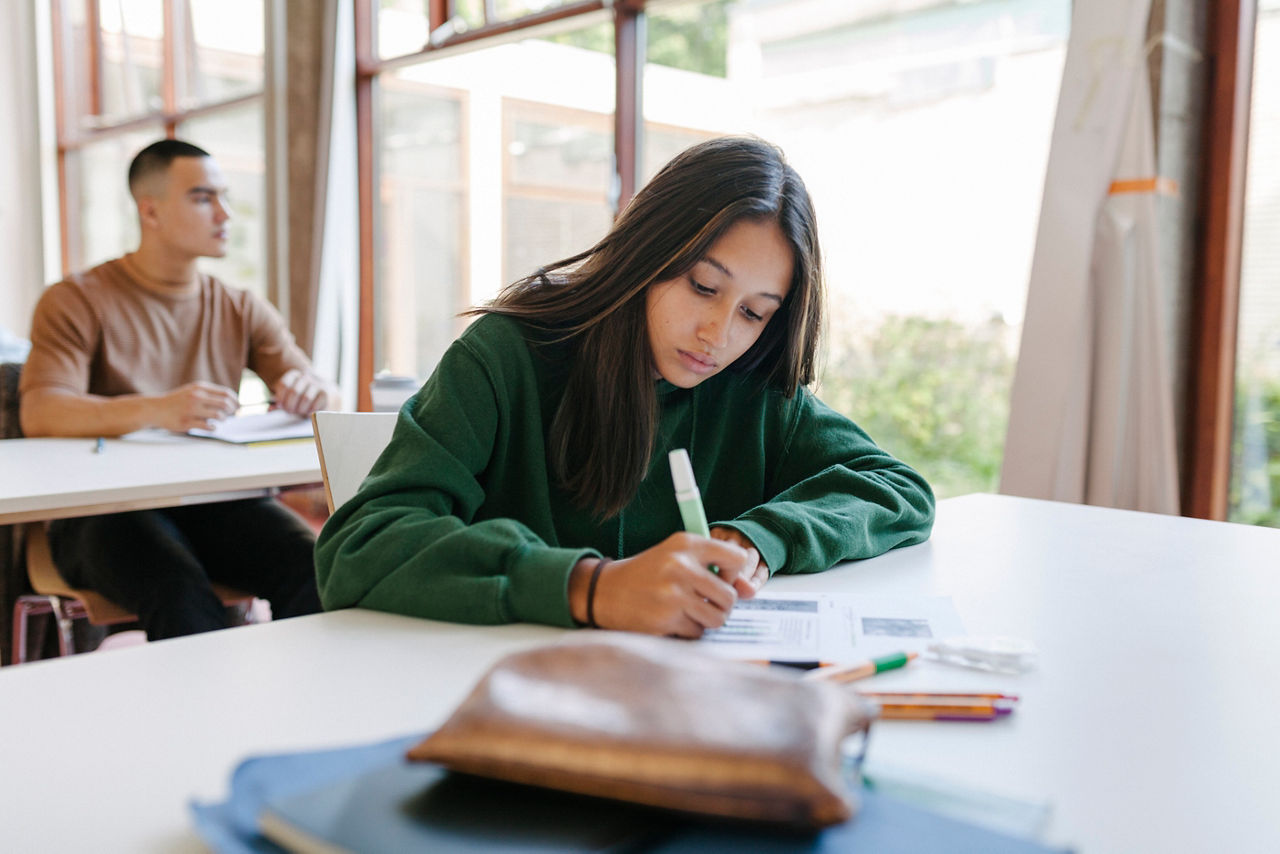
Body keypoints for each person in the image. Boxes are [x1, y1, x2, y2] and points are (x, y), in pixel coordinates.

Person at [315, 136, 934, 638]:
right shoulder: (508, 356)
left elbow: (899, 489)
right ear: (647, 254)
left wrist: (758, 538)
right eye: (703, 286)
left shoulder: (755, 390)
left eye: (755, 312)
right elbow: (359, 547)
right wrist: (591, 587)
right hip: (497, 697)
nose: (719, 334)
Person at [19, 139, 335, 640]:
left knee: (326, 569)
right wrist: (158, 409)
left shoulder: (238, 305)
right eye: (203, 197)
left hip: (215, 501)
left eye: (224, 196)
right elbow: (41, 410)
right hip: (101, 511)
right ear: (151, 211)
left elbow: (321, 390)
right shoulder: (75, 300)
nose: (225, 213)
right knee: (178, 591)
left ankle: (315, 712)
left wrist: (311, 387)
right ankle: (205, 720)